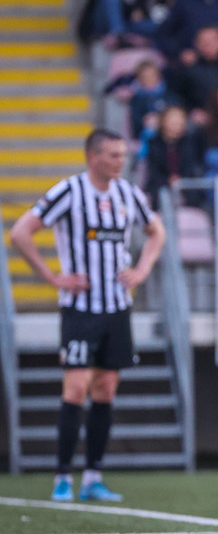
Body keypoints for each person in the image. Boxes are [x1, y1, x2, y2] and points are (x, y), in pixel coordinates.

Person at [9, 129, 166, 502]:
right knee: (76, 388)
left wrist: (141, 270)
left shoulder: (128, 193)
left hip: (117, 307)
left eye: (122, 154)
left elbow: (156, 232)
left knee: (106, 389)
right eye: (113, 155)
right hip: (81, 309)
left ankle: (93, 476)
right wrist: (52, 277)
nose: (120, 161)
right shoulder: (69, 191)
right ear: (93, 157)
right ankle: (62, 476)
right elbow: (20, 233)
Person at [144, 104, 207, 206]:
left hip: (188, 191)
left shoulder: (190, 143)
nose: (177, 126)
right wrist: (168, 180)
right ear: (163, 122)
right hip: (160, 191)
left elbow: (192, 168)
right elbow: (153, 172)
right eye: (173, 122)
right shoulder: (154, 144)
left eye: (180, 122)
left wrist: (180, 180)